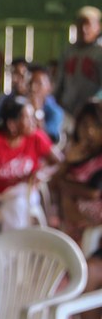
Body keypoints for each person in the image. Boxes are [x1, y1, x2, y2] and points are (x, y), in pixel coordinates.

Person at [0, 96, 60, 251]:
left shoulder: (36, 137)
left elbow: (58, 161)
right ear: (12, 124)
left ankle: (10, 257)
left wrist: (41, 173)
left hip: (17, 193)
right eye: (28, 118)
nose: (34, 122)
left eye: (33, 116)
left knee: (17, 208)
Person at [55, 101, 102, 243]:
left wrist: (64, 186)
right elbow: (53, 183)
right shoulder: (72, 150)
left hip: (92, 224)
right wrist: (67, 161)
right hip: (68, 221)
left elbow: (93, 193)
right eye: (85, 125)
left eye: (96, 126)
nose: (90, 131)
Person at [54, 6, 102, 116]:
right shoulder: (68, 52)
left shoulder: (99, 52)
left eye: (88, 25)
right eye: (80, 24)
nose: (84, 29)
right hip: (67, 109)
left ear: (98, 27)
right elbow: (59, 82)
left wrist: (95, 101)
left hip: (92, 113)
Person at [26, 64, 64, 143]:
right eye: (30, 83)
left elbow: (48, 141)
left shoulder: (55, 112)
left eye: (38, 83)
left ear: (49, 87)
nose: (33, 88)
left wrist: (37, 111)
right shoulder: (21, 105)